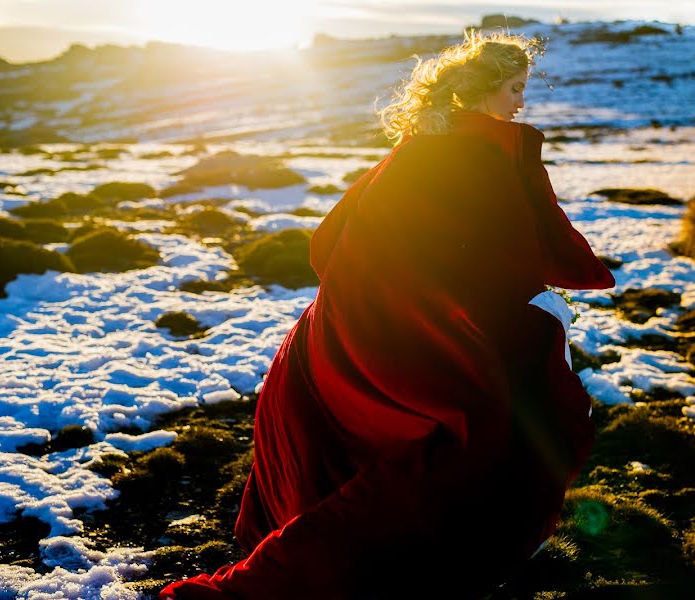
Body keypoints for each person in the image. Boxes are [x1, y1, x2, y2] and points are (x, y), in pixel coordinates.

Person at [160, 29, 615, 600]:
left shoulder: (413, 149)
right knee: (484, 441)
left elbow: (330, 242)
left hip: (338, 332)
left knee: (375, 448)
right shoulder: (491, 154)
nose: (521, 103)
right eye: (515, 88)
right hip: (409, 335)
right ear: (483, 89)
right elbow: (519, 249)